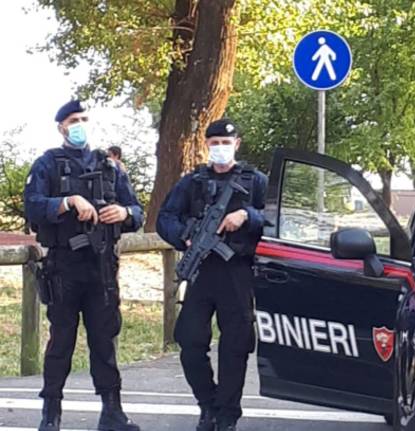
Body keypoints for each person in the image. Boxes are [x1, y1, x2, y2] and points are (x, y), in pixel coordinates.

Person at [24, 100, 143, 431]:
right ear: (61, 126)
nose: (80, 124)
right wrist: (66, 202)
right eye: (74, 120)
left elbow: (137, 210)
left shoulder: (109, 166)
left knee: (104, 340)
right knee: (61, 341)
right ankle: (51, 413)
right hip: (64, 267)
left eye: (84, 119)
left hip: (102, 267)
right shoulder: (48, 164)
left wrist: (124, 213)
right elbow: (32, 207)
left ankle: (112, 411)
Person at [156, 119, 267, 431]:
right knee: (188, 338)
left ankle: (227, 414)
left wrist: (246, 215)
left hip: (238, 271)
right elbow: (165, 218)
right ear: (207, 145)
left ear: (237, 144)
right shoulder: (192, 182)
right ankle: (208, 404)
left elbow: (276, 217)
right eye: (214, 142)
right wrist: (185, 236)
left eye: (225, 142)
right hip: (202, 271)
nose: (220, 147)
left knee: (235, 345)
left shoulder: (255, 181)